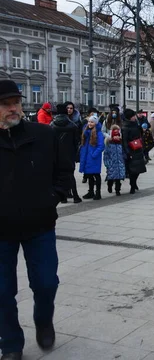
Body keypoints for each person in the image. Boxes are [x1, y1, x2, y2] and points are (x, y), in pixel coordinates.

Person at [0, 80, 70, 360]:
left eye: (16, 102)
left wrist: (54, 195)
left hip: (39, 224)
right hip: (0, 230)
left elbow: (64, 168)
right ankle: (11, 344)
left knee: (45, 283)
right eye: (6, 104)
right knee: (2, 291)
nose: (13, 108)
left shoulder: (43, 134)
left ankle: (44, 320)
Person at [50, 104, 82, 204]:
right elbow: (76, 142)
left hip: (56, 155)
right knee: (70, 175)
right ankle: (76, 196)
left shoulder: (52, 125)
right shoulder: (72, 125)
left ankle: (63, 197)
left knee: (58, 176)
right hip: (69, 154)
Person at [79, 116, 105, 200]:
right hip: (87, 157)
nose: (90, 123)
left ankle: (98, 192)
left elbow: (101, 146)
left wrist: (94, 154)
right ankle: (90, 191)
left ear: (96, 123)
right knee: (89, 175)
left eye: (92, 122)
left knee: (96, 174)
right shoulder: (86, 132)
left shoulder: (99, 133)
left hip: (94, 157)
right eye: (89, 122)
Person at [122, 109, 147, 194]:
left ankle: (134, 182)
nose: (134, 117)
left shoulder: (136, 124)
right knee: (132, 170)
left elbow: (140, 134)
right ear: (129, 117)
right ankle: (132, 185)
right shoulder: (125, 127)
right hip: (131, 150)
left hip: (138, 148)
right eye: (133, 116)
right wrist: (127, 151)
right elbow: (124, 140)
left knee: (139, 169)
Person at [104, 125, 127, 196]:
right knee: (111, 177)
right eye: (115, 136)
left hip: (120, 163)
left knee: (118, 179)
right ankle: (109, 185)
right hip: (111, 164)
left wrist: (124, 159)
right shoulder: (109, 144)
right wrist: (107, 163)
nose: (117, 137)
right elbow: (106, 155)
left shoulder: (121, 144)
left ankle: (117, 190)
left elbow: (124, 153)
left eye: (118, 136)